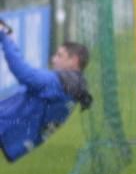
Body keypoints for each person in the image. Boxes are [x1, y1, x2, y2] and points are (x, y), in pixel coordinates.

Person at [0, 21, 92, 163]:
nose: (53, 59)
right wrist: (9, 38)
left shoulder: (60, 83)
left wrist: (4, 37)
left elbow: (24, 73)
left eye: (59, 55)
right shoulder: (74, 85)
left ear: (74, 60)